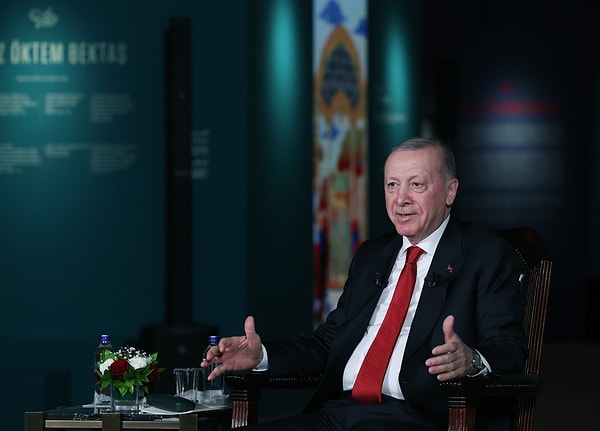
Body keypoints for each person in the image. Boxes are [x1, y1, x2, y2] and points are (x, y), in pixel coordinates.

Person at [201, 137, 527, 431]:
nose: (401, 199)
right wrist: (261, 356)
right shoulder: (372, 255)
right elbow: (329, 342)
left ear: (450, 191)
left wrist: (471, 360)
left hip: (420, 417)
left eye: (416, 185)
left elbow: (509, 346)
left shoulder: (485, 254)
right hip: (339, 414)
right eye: (392, 185)